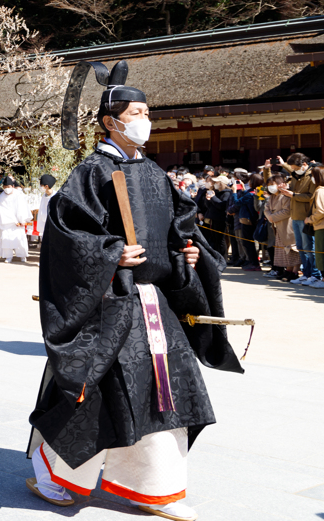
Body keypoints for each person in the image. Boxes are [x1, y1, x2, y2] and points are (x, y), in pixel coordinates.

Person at [28, 61, 243, 521]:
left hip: (154, 302)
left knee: (168, 392)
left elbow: (180, 231)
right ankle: (51, 471)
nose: (146, 119)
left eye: (148, 111)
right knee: (96, 390)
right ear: (111, 121)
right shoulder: (91, 173)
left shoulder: (155, 174)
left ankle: (154, 486)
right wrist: (109, 255)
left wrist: (189, 257)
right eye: (137, 112)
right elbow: (66, 234)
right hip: (108, 303)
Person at [280, 153, 319, 284]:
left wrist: (294, 195)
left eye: (296, 168)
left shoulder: (313, 175)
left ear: (304, 164)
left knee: (309, 247)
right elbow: (291, 172)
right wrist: (286, 190)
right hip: (295, 215)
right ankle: (306, 274)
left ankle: (315, 274)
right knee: (301, 247)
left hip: (306, 216)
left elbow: (311, 196)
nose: (294, 170)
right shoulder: (296, 174)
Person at [264, 173, 299, 282]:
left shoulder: (285, 195)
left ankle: (295, 271)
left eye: (272, 184)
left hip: (287, 226)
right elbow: (266, 208)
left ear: (280, 184)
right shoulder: (272, 197)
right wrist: (270, 216)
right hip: (277, 226)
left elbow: (287, 211)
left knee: (292, 249)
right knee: (283, 250)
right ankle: (288, 269)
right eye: (269, 184)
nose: (270, 186)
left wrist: (272, 217)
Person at [0, 176, 31, 263]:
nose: (7, 189)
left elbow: (22, 208)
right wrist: (13, 220)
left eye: (8, 187)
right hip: (7, 222)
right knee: (6, 239)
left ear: (12, 186)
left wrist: (22, 220)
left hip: (19, 221)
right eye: (5, 187)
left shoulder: (19, 195)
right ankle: (8, 256)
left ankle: (22, 256)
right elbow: (3, 211)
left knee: (20, 239)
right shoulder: (2, 197)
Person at [198, 174, 232, 260]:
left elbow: (221, 205)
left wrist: (213, 198)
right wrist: (208, 199)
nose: (215, 184)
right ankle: (216, 257)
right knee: (214, 239)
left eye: (217, 182)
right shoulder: (216, 192)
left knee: (221, 240)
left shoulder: (227, 193)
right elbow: (210, 206)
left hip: (221, 219)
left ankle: (223, 258)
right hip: (213, 219)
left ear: (221, 183)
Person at [235, 173, 262, 271]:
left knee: (247, 242)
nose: (248, 182)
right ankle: (253, 262)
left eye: (250, 180)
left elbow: (237, 202)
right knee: (248, 242)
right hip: (253, 219)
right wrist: (243, 190)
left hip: (248, 220)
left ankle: (254, 263)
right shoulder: (258, 191)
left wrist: (234, 192)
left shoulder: (251, 194)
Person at [306, 167, 324, 289]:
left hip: (321, 226)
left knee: (320, 253)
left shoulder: (320, 191)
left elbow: (321, 211)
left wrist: (310, 219)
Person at [37, 174, 57, 239]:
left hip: (53, 227)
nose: (40, 187)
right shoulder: (44, 196)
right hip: (44, 227)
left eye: (41, 185)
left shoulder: (56, 196)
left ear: (46, 186)